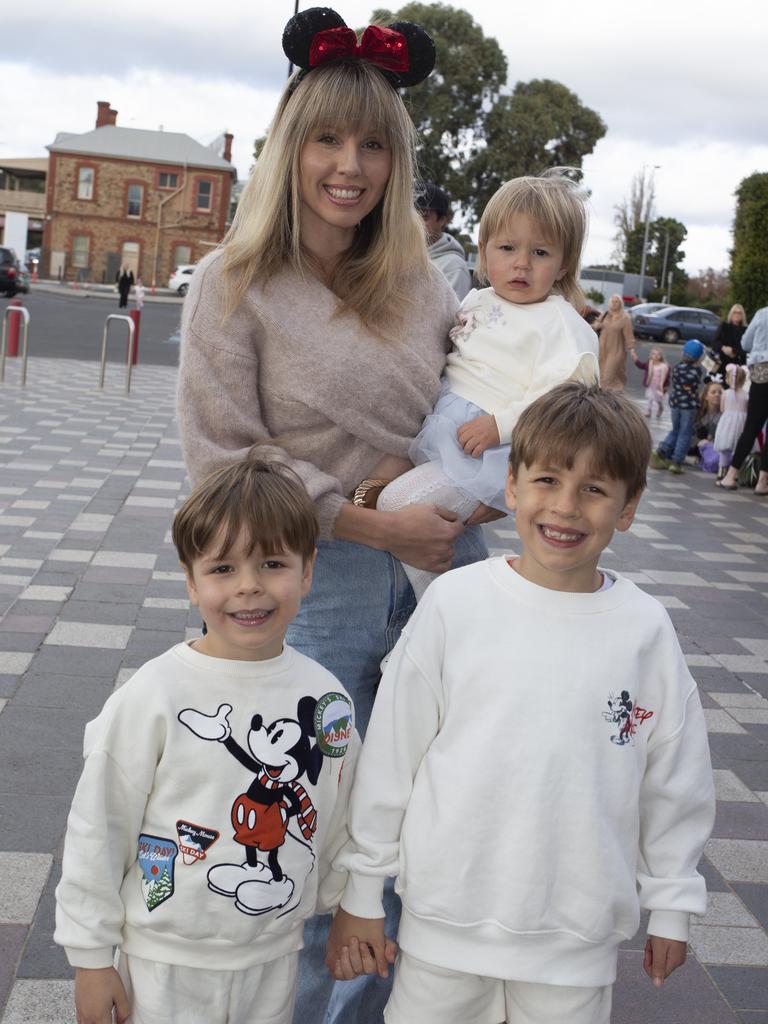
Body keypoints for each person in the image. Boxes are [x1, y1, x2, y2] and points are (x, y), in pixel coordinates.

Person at [175, 8, 490, 1022]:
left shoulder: (428, 286)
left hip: (454, 569)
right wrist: (369, 520)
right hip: (323, 583)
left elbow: (477, 407)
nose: (348, 165)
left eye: (372, 144)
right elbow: (223, 467)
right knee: (311, 837)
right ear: (289, 143)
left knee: (426, 832)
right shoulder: (231, 286)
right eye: (327, 137)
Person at [326, 382, 715, 1024]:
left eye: (594, 489)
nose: (565, 508)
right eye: (546, 481)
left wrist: (672, 902)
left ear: (629, 505)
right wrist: (362, 888)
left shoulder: (644, 630)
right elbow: (393, 757)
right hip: (444, 925)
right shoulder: (455, 605)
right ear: (510, 486)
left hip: (576, 937)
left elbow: (675, 778)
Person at [54, 456, 359, 1024]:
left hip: (275, 953)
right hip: (161, 964)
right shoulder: (154, 695)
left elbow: (342, 811)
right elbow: (99, 825)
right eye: (222, 569)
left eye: (272, 563)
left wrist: (351, 907)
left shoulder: (325, 698)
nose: (249, 587)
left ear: (308, 571)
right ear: (190, 581)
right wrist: (91, 959)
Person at [373, 169, 599, 598]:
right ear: (483, 250)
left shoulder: (561, 323)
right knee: (400, 508)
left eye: (540, 252)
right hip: (446, 432)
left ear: (564, 262)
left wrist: (502, 425)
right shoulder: (475, 299)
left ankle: (441, 611)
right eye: (508, 247)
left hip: (493, 448)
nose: (521, 263)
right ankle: (467, 601)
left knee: (398, 505)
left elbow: (569, 400)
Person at [717, 304, 768, 495]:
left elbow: (746, 343)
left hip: (762, 374)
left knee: (752, 426)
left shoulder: (763, 313)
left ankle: (731, 475)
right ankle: (762, 482)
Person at [649, 339, 704, 475]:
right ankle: (677, 462)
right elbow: (696, 385)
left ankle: (661, 451)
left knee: (675, 430)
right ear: (699, 357)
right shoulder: (697, 371)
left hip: (675, 404)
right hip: (688, 406)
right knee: (685, 433)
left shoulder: (677, 368)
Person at [415, 181, 472, 299]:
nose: (415, 222)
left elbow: (453, 316)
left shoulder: (454, 267)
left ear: (442, 220)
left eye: (424, 217)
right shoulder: (393, 256)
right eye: (410, 215)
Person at [714, 364, 749, 477]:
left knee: (724, 448)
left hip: (727, 422)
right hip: (741, 423)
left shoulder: (725, 393)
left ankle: (721, 471)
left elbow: (722, 409)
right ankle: (735, 473)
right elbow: (747, 410)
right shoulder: (746, 395)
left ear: (728, 379)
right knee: (739, 448)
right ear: (744, 380)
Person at [595, 293, 635, 390]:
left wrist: (632, 350)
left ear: (620, 303)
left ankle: (612, 397)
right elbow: (595, 325)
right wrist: (597, 326)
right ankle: (604, 398)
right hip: (602, 350)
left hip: (616, 351)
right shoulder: (605, 314)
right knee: (601, 375)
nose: (614, 304)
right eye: (612, 302)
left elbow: (629, 335)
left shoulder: (624, 318)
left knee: (609, 375)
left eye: (616, 302)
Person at [631, 345, 668, 418]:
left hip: (659, 387)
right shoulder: (649, 364)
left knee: (658, 399)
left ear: (661, 356)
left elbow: (666, 378)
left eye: (658, 354)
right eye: (654, 354)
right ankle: (648, 410)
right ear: (651, 355)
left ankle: (660, 407)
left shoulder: (664, 366)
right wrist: (635, 359)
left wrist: (665, 386)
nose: (656, 356)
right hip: (651, 385)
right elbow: (641, 365)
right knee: (650, 398)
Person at [712, 303, 748, 378]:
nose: (737, 314)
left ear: (743, 315)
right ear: (731, 314)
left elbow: (747, 348)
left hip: (738, 365)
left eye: (739, 313)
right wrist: (723, 348)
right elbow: (715, 342)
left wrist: (733, 351)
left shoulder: (746, 330)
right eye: (735, 312)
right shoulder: (724, 326)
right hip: (722, 363)